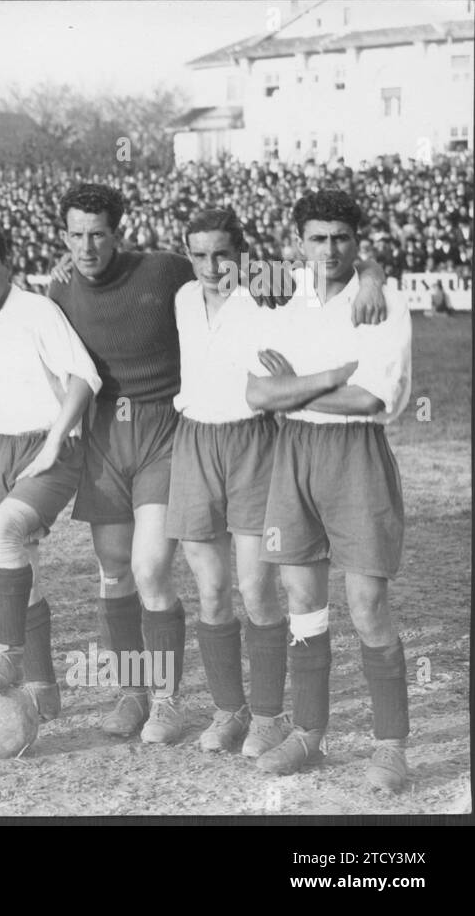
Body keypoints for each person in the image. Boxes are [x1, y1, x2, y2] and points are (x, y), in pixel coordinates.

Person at [0, 183, 388, 745]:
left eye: (98, 232)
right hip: (106, 436)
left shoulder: (172, 273)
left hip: (172, 433)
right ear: (63, 237)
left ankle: (195, 706)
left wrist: (370, 274)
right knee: (116, 569)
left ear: (118, 232)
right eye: (75, 235)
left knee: (163, 570)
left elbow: (320, 262)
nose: (87, 245)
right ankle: (136, 693)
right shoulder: (58, 289)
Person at [245, 189, 413, 793]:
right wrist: (324, 379)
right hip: (293, 452)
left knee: (367, 604)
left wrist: (297, 386)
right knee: (302, 602)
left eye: (342, 237)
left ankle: (390, 745)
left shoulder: (383, 301)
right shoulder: (280, 292)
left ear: (358, 242)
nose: (330, 248)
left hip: (356, 454)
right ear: (298, 243)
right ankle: (309, 734)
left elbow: (371, 398)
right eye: (318, 238)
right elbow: (259, 394)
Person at [169, 208, 316, 754]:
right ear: (188, 254)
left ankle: (269, 716)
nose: (212, 265)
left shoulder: (266, 292)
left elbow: (321, 277)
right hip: (194, 443)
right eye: (200, 254)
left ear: (241, 252)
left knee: (256, 588)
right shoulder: (182, 297)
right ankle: (228, 711)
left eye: (223, 254)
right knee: (210, 590)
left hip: (253, 442)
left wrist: (369, 275)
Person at [0, 219, 100, 720]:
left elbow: (84, 378)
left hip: (53, 444)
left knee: (4, 529)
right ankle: (43, 686)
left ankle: (9, 652)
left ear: (9, 265)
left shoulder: (38, 310)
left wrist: (56, 440)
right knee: (18, 566)